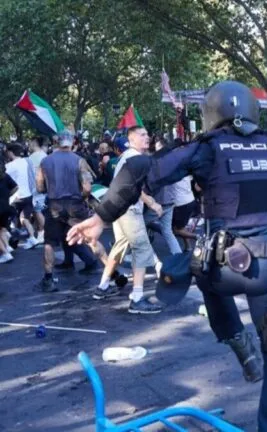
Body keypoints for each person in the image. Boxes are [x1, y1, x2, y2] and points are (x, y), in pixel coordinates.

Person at [67, 80, 267, 432]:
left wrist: (100, 217)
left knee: (200, 268)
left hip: (224, 268)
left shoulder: (207, 147)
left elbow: (139, 169)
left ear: (211, 113)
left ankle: (238, 342)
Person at [91, 126, 164, 313]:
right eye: (142, 135)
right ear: (131, 140)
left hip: (121, 210)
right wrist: (152, 203)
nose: (147, 137)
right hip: (129, 210)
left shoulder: (127, 157)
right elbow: (133, 189)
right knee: (142, 249)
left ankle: (103, 286)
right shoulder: (133, 158)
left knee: (119, 247)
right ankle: (137, 299)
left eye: (147, 134)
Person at [36, 131, 106, 291]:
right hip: (75, 204)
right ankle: (111, 272)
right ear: (72, 142)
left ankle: (48, 279)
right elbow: (87, 187)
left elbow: (39, 187)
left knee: (49, 243)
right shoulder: (79, 160)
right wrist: (80, 197)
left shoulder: (45, 161)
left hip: (54, 206)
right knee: (90, 237)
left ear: (56, 142)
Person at [144, 136, 183, 255]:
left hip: (158, 202)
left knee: (138, 227)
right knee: (167, 231)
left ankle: (132, 253)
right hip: (170, 201)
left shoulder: (156, 162)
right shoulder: (173, 161)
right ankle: (178, 254)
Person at [4, 143, 42, 250]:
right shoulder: (27, 162)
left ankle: (10, 242)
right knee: (24, 218)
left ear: (10, 152)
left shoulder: (10, 166)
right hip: (29, 194)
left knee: (10, 220)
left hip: (16, 197)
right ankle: (32, 238)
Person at [0, 163, 18, 263]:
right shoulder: (5, 175)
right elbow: (16, 187)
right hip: (6, 206)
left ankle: (5, 253)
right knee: (2, 229)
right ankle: (7, 247)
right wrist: (7, 195)